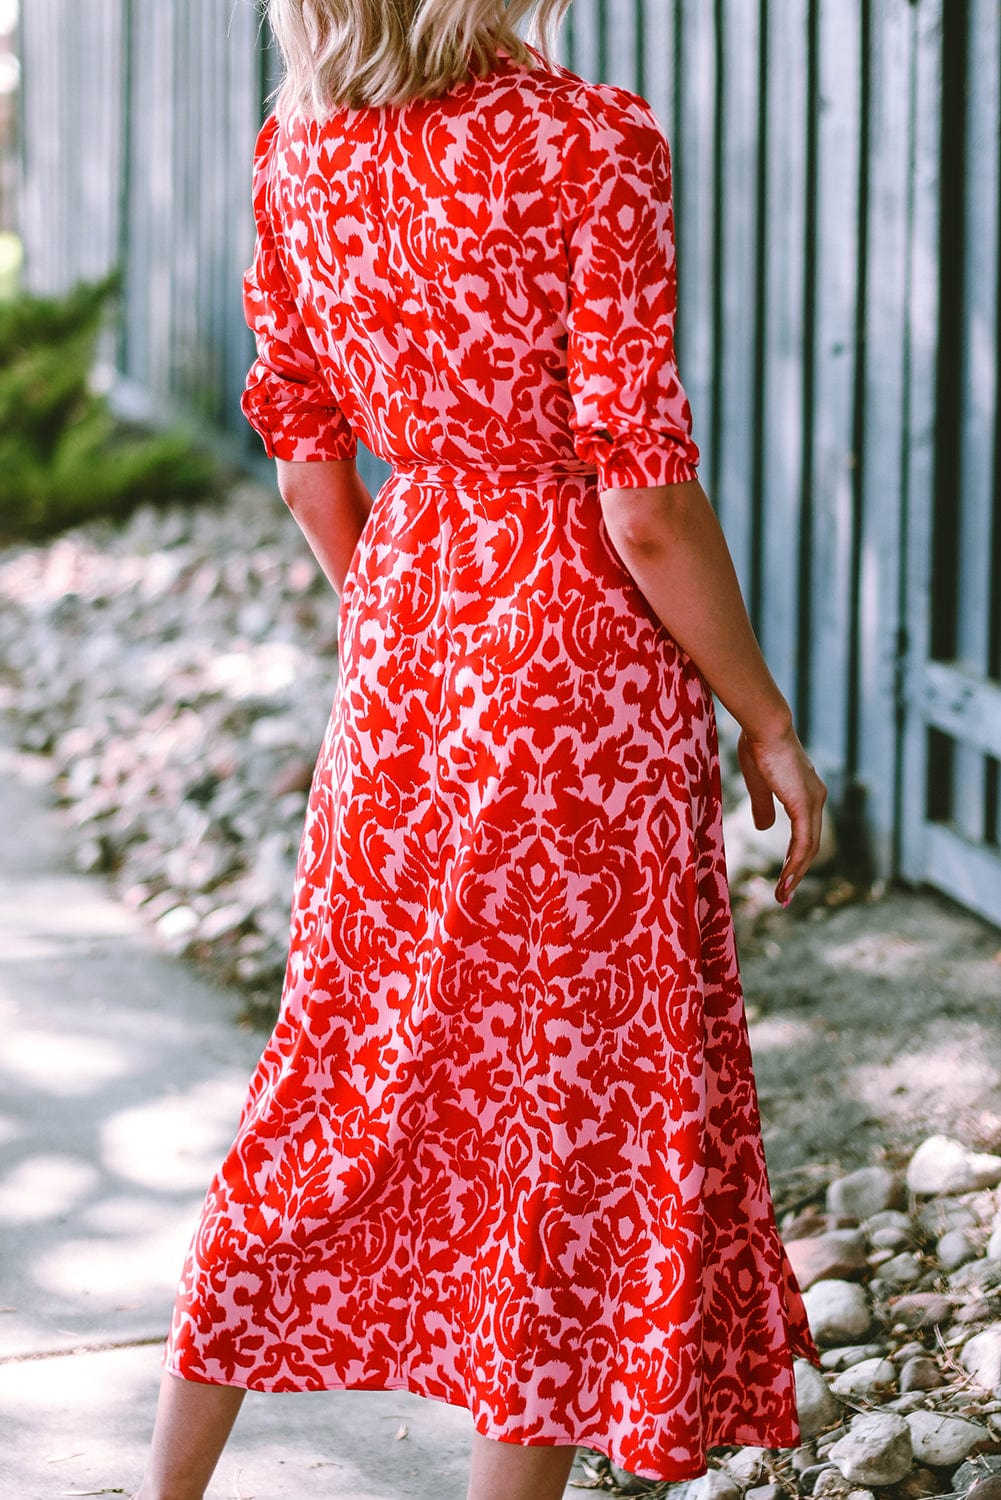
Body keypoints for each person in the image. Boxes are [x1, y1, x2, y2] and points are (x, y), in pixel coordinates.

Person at [134, 2, 828, 1497]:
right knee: (567, 1104)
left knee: (343, 1066)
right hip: (579, 665)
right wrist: (763, 717)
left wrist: (396, 614)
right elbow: (642, 497)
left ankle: (165, 1486)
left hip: (407, 629)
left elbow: (302, 445)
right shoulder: (589, 139)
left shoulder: (297, 153)